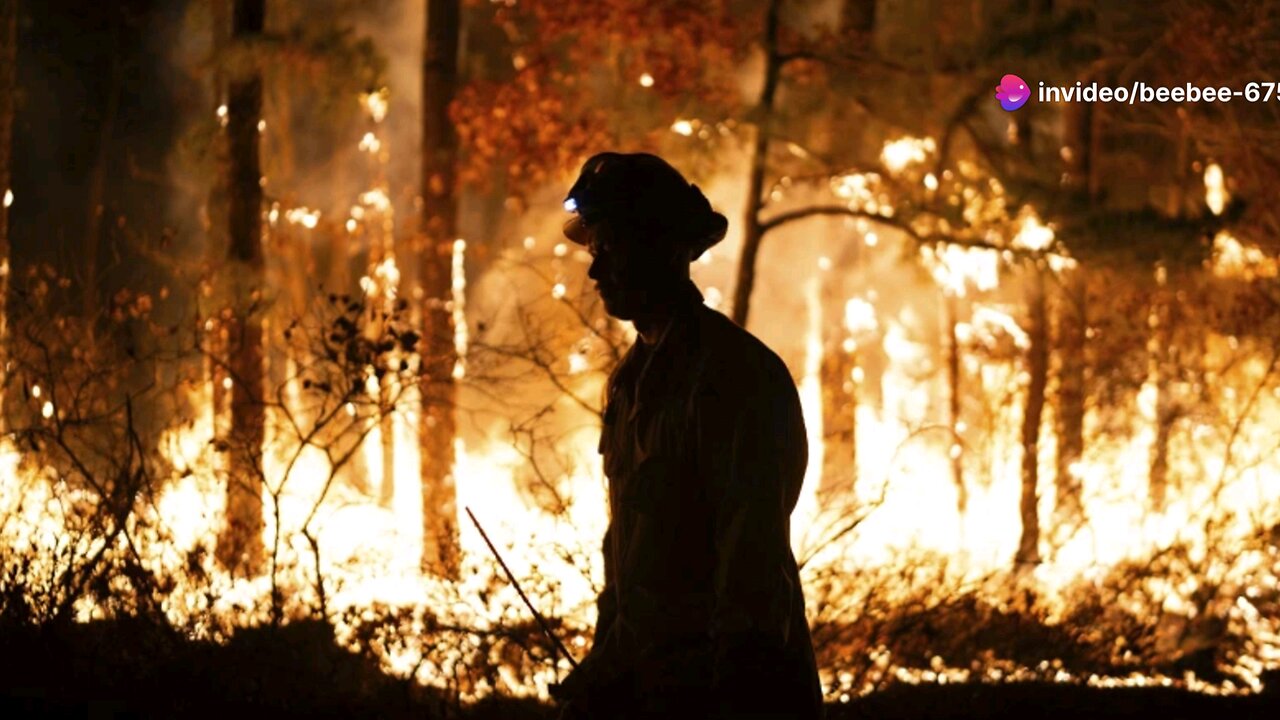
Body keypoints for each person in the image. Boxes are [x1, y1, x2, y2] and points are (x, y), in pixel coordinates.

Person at [550, 152, 824, 720]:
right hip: (654, 691)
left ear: (666, 248)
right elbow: (626, 554)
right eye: (595, 251)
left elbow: (749, 565)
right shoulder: (629, 386)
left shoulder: (732, 377)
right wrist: (605, 665)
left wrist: (731, 695)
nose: (596, 271)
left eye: (612, 249)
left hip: (730, 694)